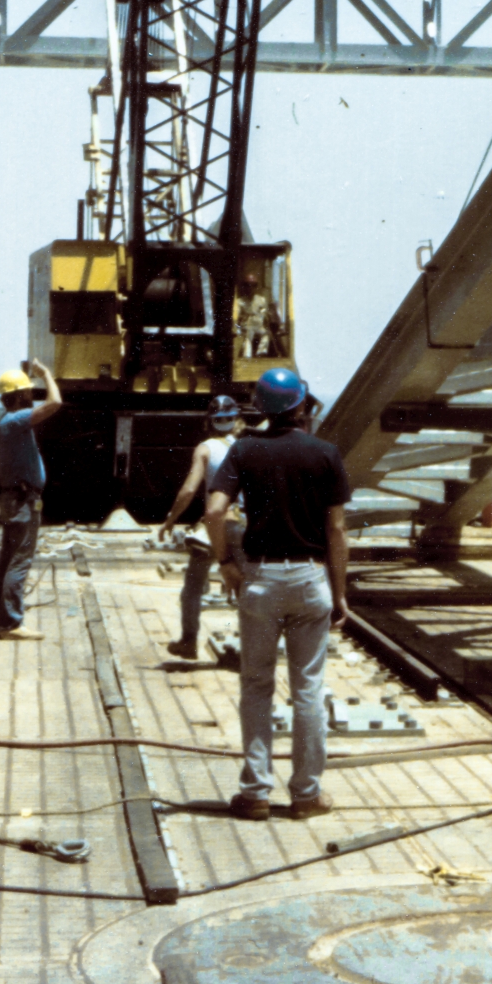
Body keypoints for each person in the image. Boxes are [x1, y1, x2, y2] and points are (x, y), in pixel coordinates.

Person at [205, 366, 350, 821]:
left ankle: (255, 793)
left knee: (256, 685)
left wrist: (226, 562)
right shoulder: (326, 453)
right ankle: (306, 794)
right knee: (308, 688)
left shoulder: (244, 450)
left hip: (262, 580)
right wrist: (339, 593)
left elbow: (214, 511)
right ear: (302, 405)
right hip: (310, 580)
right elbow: (337, 530)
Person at [157, 395, 247, 660]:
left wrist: (171, 519)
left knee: (193, 587)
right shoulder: (246, 447)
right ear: (237, 419)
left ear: (209, 420)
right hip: (243, 524)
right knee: (245, 588)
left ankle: (188, 641)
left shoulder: (205, 449)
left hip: (214, 526)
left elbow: (188, 490)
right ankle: (252, 650)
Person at [0, 359, 62, 640]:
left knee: (7, 561)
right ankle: (11, 624)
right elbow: (54, 403)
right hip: (22, 501)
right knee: (19, 561)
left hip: (16, 498)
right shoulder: (16, 420)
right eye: (28, 391)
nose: (32, 395)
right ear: (19, 395)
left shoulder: (7, 423)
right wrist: (46, 374)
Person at [233, 272, 277, 358]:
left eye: (253, 285)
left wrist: (266, 316)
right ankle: (247, 356)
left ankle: (261, 353)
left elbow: (265, 313)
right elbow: (236, 316)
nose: (250, 288)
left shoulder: (261, 300)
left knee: (266, 334)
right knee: (248, 336)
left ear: (256, 286)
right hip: (246, 326)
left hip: (258, 325)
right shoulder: (240, 302)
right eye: (248, 285)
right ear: (244, 287)